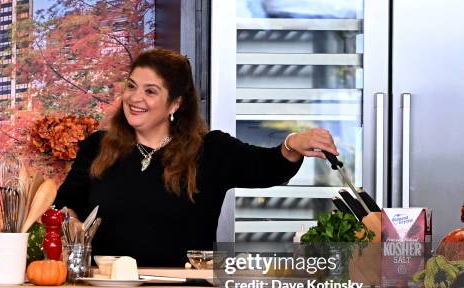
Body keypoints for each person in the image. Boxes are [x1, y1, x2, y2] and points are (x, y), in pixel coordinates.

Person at [54, 48, 338, 266]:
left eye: (150, 91)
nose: (134, 98)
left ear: (175, 103)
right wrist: (70, 220)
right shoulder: (97, 146)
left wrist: (292, 143)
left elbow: (268, 167)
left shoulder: (211, 150)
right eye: (131, 86)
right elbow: (65, 204)